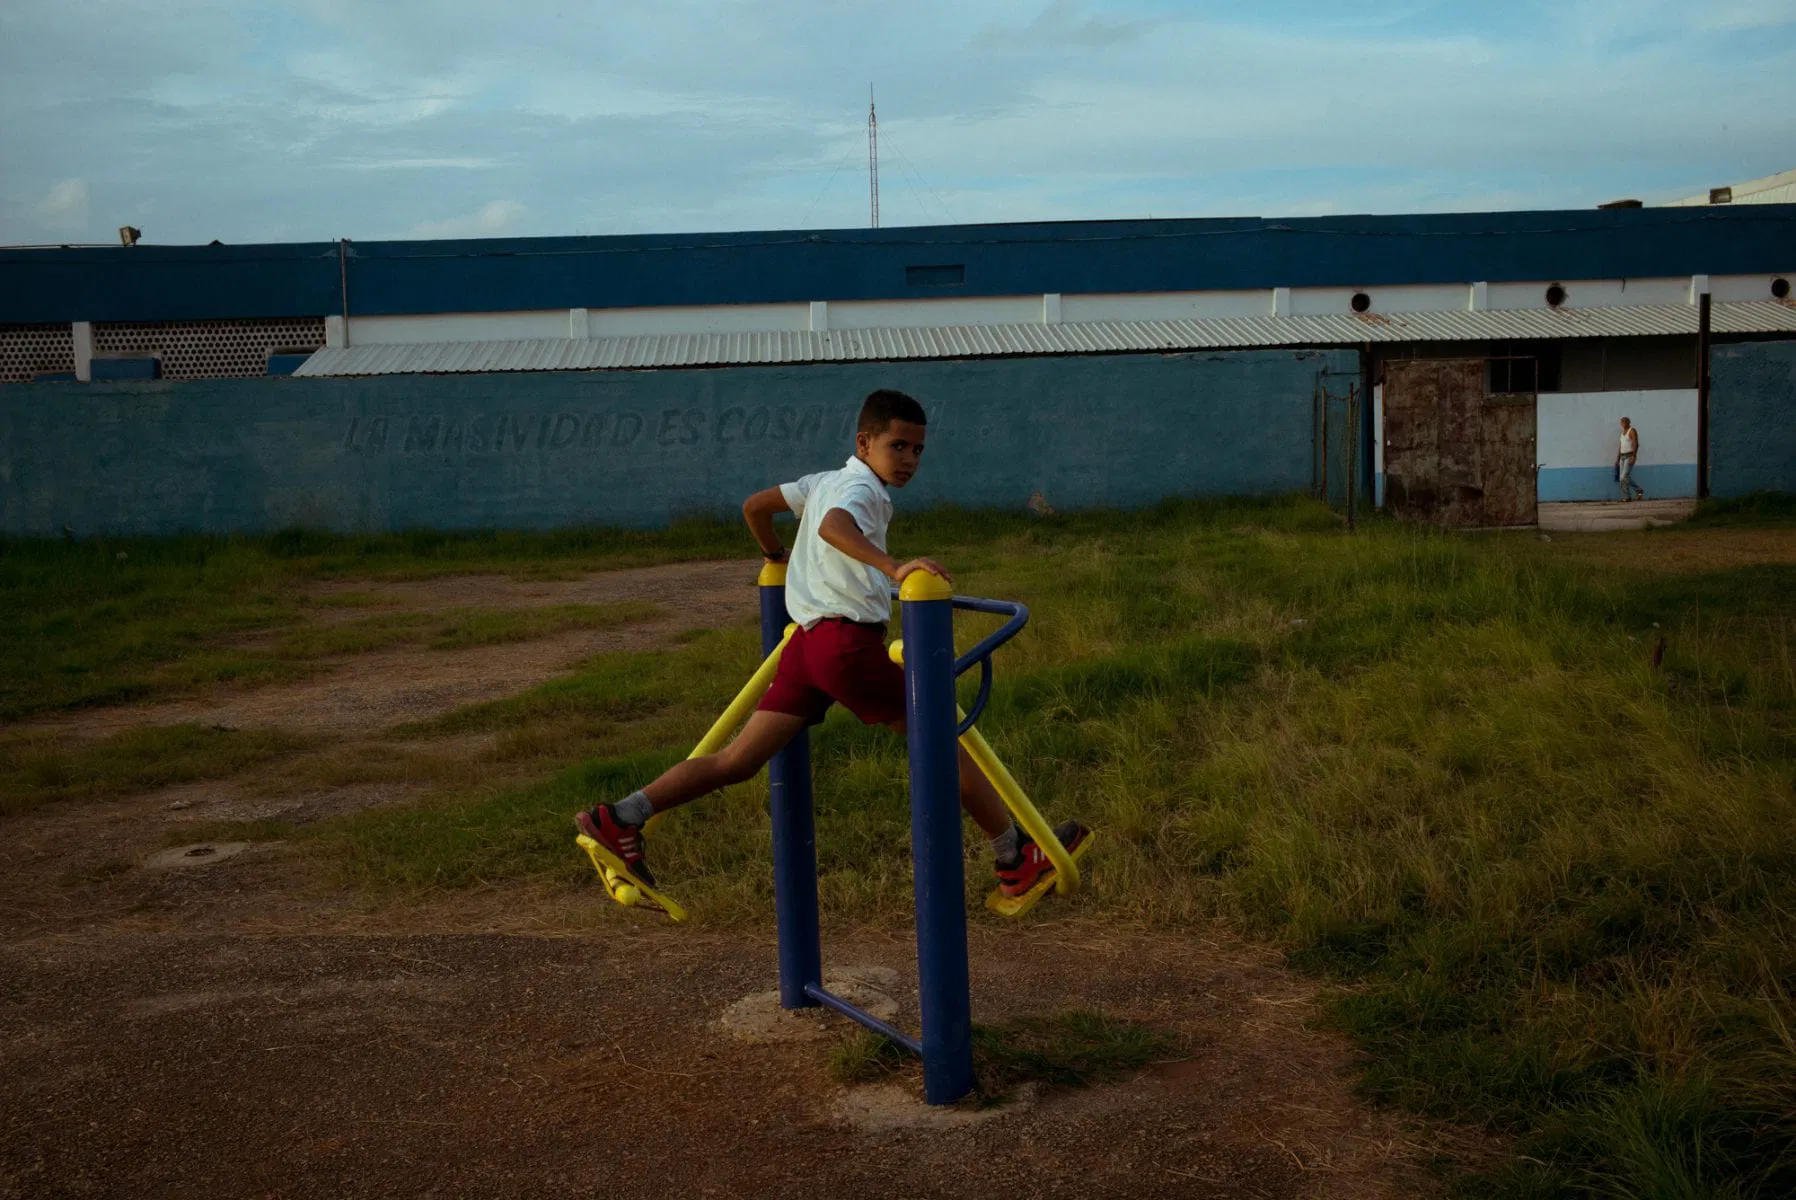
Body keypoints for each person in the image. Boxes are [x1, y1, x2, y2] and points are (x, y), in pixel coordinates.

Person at [575, 388, 1089, 903]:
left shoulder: (819, 482)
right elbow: (832, 526)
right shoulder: (861, 490)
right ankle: (1014, 857)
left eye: (917, 450)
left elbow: (755, 507)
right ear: (864, 443)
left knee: (737, 760)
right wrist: (894, 567)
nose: (909, 460)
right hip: (846, 646)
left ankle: (621, 817)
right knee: (941, 744)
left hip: (807, 648)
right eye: (897, 446)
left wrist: (774, 553)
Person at [1616, 417, 1646, 501]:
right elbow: (1621, 446)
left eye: (1625, 422)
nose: (1623, 423)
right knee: (1622, 479)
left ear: (1629, 422)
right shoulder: (1622, 432)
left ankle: (1639, 490)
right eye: (1622, 422)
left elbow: (1636, 443)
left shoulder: (1632, 430)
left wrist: (1634, 456)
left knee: (1624, 477)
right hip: (1622, 457)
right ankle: (1627, 497)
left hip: (1629, 456)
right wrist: (1618, 458)